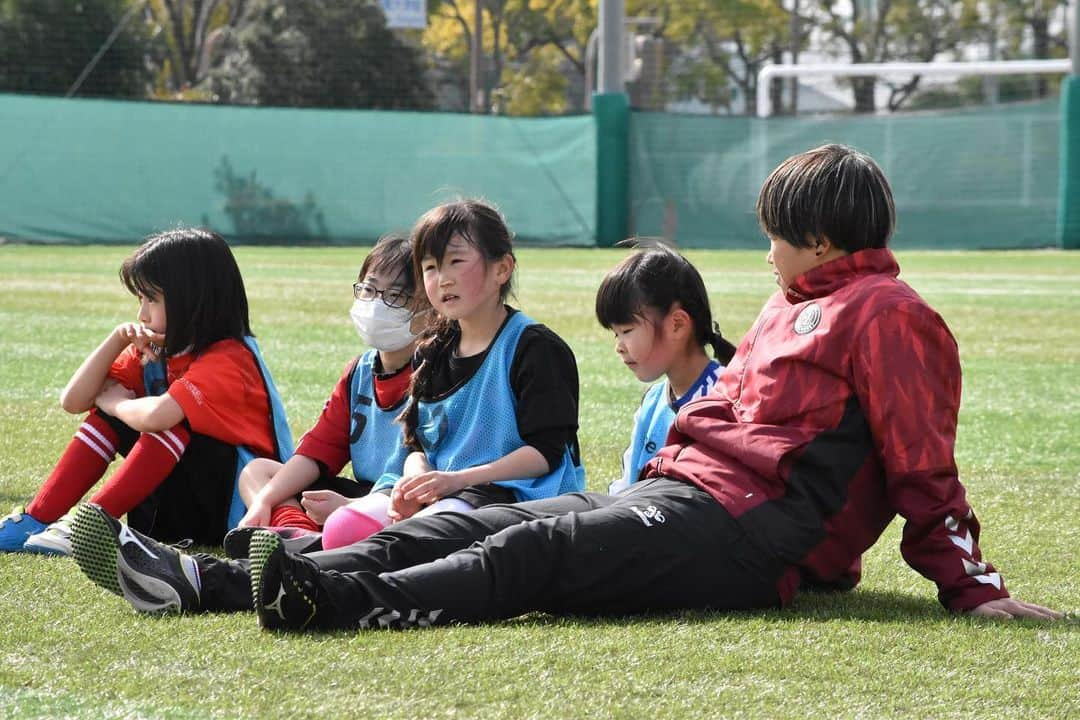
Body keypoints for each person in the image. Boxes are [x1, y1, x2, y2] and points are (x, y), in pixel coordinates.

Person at [70, 145, 1061, 627]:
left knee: (536, 544)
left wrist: (970, 587)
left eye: (776, 230)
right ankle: (214, 578)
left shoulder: (890, 316)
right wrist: (654, 478)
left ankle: (332, 606)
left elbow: (923, 463)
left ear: (824, 236)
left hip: (750, 539)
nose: (765, 251)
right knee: (480, 526)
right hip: (683, 496)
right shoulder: (788, 306)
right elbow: (715, 414)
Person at [0, 228, 292, 555]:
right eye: (140, 299)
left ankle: (89, 526)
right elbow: (73, 401)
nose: (141, 314)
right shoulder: (159, 350)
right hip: (175, 506)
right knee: (109, 420)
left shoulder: (229, 357)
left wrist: (113, 402)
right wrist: (116, 339)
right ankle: (38, 517)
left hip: (232, 510)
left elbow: (158, 416)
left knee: (167, 419)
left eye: (151, 299)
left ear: (192, 300)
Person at [221, 234, 429, 559]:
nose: (377, 305)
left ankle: (311, 544)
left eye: (396, 296)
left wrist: (352, 507)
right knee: (258, 473)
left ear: (428, 307)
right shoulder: (359, 372)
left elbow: (428, 476)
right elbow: (318, 451)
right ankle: (297, 534)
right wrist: (264, 501)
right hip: (362, 493)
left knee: (415, 516)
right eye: (370, 290)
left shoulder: (437, 373)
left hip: (400, 501)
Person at [595, 242, 736, 494]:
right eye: (615, 334)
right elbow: (627, 485)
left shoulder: (726, 396)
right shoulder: (653, 401)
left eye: (626, 331)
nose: (619, 346)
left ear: (678, 325)